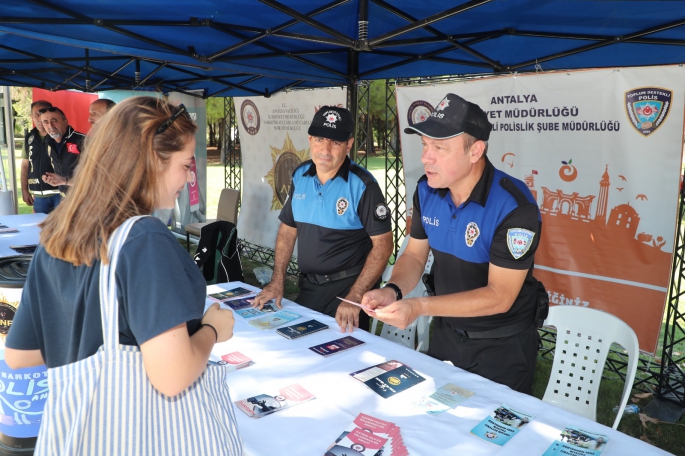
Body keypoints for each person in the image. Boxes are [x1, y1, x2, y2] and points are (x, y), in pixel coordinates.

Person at [4, 97, 238, 448]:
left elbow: (19, 356)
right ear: (151, 164)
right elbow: (172, 376)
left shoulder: (57, 235)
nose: (189, 176)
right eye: (185, 164)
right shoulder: (144, 240)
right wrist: (210, 331)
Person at [361, 93, 542, 394]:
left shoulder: (513, 206)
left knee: (490, 438)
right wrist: (392, 290)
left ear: (476, 151)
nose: (425, 157)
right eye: (424, 145)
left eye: (440, 148)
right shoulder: (427, 190)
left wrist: (419, 306)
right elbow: (415, 256)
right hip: (445, 334)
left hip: (501, 347)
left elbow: (500, 296)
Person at [252, 106, 393, 333]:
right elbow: (288, 230)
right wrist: (277, 281)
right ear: (310, 139)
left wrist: (355, 296)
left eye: (335, 142)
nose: (325, 149)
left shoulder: (363, 184)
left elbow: (384, 245)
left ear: (349, 144)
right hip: (309, 288)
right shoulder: (300, 175)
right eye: (319, 139)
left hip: (347, 293)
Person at [20, 100, 61, 213]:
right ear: (31, 116)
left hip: (60, 192)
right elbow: (25, 166)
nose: (39, 118)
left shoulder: (59, 135)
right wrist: (24, 190)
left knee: (62, 227)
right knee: (39, 228)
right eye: (36, 115)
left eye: (42, 114)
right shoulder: (29, 138)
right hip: (38, 195)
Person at [39, 106, 85, 194]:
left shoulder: (83, 141)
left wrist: (65, 181)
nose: (50, 126)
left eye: (54, 121)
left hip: (85, 197)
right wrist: (48, 177)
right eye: (46, 122)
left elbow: (94, 177)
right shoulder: (47, 141)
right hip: (65, 197)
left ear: (65, 122)